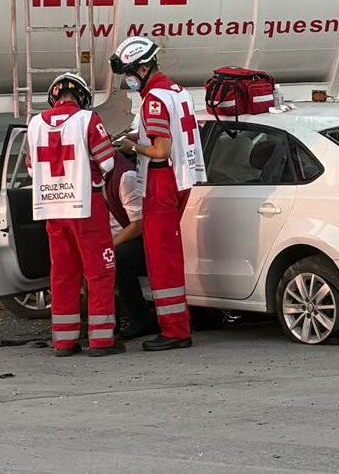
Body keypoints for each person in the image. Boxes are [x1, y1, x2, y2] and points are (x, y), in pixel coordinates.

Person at [111, 37, 206, 352]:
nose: (128, 79)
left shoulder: (153, 99)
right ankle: (177, 325)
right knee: (167, 255)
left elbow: (160, 149)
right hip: (182, 177)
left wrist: (131, 146)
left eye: (129, 72)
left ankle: (175, 331)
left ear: (142, 67)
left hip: (162, 180)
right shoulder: (177, 92)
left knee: (162, 259)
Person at [26, 73, 123, 357]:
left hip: (53, 210)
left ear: (53, 97)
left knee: (63, 275)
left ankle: (64, 342)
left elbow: (32, 169)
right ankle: (101, 340)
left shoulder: (34, 124)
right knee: (99, 273)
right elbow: (106, 161)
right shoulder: (87, 120)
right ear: (82, 97)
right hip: (86, 206)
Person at [103, 150, 157, 339]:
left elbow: (138, 225)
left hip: (139, 239)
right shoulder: (94, 175)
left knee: (116, 259)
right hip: (113, 236)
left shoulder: (125, 176)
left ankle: (141, 320)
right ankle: (106, 323)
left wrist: (108, 246)